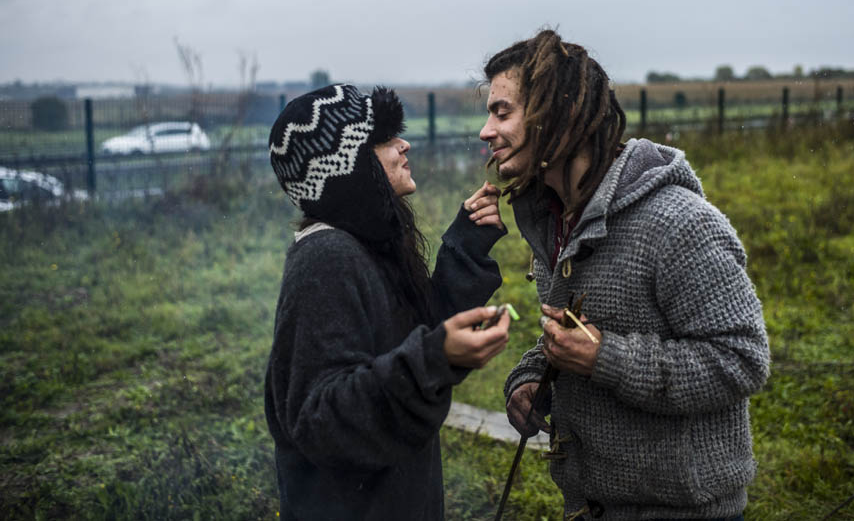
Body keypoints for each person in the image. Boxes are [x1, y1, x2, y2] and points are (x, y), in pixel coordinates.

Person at [480, 30, 770, 521]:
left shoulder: (679, 223)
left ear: (556, 113)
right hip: (590, 508)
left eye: (502, 112)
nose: (486, 131)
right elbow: (577, 330)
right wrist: (531, 380)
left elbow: (742, 359)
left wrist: (604, 359)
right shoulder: (558, 219)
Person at [264, 83, 512, 520]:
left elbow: (407, 338)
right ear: (347, 167)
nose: (404, 144)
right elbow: (323, 419)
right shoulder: (326, 258)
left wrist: (465, 247)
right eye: (382, 138)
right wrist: (433, 359)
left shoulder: (363, 247)